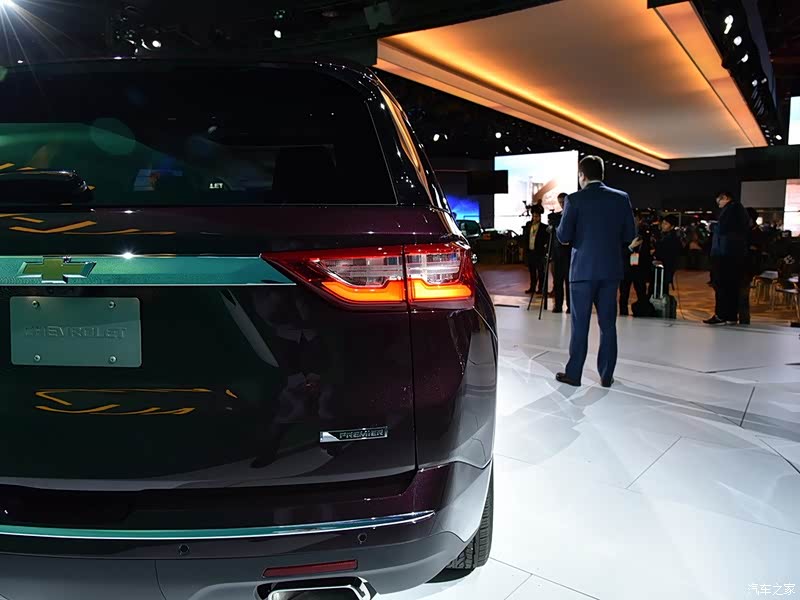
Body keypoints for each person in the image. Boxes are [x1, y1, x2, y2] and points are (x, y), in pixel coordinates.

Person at [555, 156, 636, 387]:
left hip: (582, 271)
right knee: (608, 325)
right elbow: (630, 234)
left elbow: (564, 236)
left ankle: (574, 375)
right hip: (610, 270)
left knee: (580, 325)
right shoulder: (621, 198)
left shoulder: (574, 199)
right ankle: (606, 375)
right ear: (602, 173)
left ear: (582, 175)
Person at [704, 191, 750, 325]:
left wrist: (712, 226)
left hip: (725, 255)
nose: (718, 205)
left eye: (718, 201)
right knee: (731, 287)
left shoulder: (731, 210)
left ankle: (721, 315)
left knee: (722, 286)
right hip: (733, 254)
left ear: (725, 198)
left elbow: (723, 229)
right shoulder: (738, 210)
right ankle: (730, 316)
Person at [619, 212, 652, 316]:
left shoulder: (644, 234)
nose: (634, 222)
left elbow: (647, 252)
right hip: (626, 268)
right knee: (624, 293)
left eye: (636, 220)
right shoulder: (622, 234)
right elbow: (620, 252)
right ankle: (623, 313)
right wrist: (630, 247)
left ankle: (642, 312)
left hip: (640, 268)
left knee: (641, 292)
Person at [737, 207, 764, 325]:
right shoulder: (747, 231)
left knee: (743, 296)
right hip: (742, 267)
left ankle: (744, 321)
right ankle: (739, 319)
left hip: (747, 269)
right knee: (739, 295)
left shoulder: (755, 233)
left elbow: (755, 250)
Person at [550, 193, 571, 313]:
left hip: (569, 254)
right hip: (557, 254)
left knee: (569, 282)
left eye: (564, 202)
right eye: (560, 202)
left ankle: (570, 306)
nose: (562, 204)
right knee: (557, 281)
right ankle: (558, 305)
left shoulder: (573, 215)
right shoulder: (556, 217)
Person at [653, 214, 683, 290]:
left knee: (661, 287)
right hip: (663, 266)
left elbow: (666, 253)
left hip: (665, 267)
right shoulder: (663, 235)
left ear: (672, 227)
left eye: (666, 224)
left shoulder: (672, 239)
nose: (663, 225)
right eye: (663, 223)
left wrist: (655, 252)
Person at [523, 211, 549, 295]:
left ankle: (541, 288)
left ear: (540, 217)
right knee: (532, 271)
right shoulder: (529, 226)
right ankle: (532, 287)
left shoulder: (544, 227)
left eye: (537, 216)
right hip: (530, 251)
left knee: (541, 271)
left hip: (539, 252)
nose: (535, 218)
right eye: (534, 216)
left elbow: (546, 239)